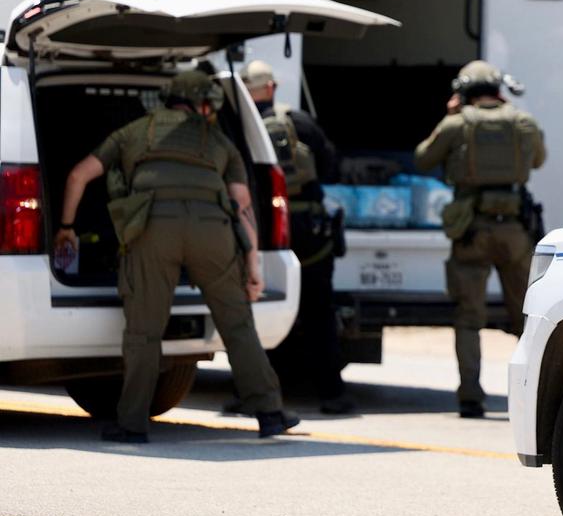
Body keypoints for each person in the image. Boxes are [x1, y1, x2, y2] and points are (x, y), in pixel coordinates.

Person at [53, 70, 298, 443]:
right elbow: (242, 205)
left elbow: (77, 176)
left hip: (153, 230)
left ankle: (132, 424)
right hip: (212, 232)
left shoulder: (133, 132)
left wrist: (67, 227)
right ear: (202, 104)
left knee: (144, 331)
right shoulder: (219, 141)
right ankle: (270, 412)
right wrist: (253, 268)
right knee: (237, 325)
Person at [413, 60, 546, 418]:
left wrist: (452, 115)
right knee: (527, 318)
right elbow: (538, 160)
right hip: (515, 231)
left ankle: (470, 396)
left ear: (464, 93)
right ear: (498, 91)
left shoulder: (457, 124)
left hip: (471, 229)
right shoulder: (522, 122)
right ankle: (532, 399)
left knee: (469, 318)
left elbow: (423, 159)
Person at [240, 60, 354, 415]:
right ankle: (332, 394)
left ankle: (259, 395)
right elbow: (332, 167)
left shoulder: (245, 126)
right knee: (320, 311)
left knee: (264, 309)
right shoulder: (301, 122)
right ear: (272, 87)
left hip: (271, 229)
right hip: (313, 231)